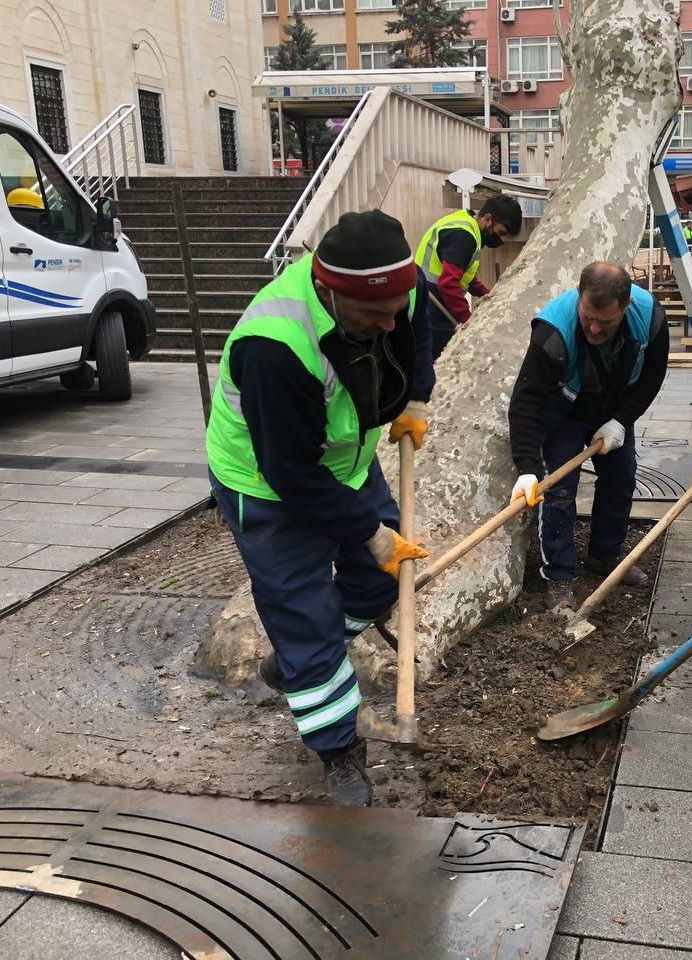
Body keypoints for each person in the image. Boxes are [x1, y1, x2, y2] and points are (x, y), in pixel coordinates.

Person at [205, 210, 435, 807]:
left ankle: (300, 663)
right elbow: (292, 474)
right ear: (329, 291)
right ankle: (339, 753)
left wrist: (414, 397)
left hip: (344, 463)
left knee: (379, 581)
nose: (388, 323)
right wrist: (369, 530)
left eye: (395, 308)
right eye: (371, 316)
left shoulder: (389, 292)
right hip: (267, 486)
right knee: (302, 608)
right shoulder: (275, 345)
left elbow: (419, 322)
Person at [508, 262, 669, 612]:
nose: (594, 328)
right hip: (565, 409)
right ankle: (559, 575)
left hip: (612, 406)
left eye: (606, 322)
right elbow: (526, 401)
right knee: (560, 490)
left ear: (625, 307)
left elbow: (653, 376)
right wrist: (526, 466)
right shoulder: (553, 331)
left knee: (621, 477)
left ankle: (604, 555)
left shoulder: (650, 318)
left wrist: (622, 421)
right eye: (588, 317)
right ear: (580, 299)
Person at [416, 194, 524, 359]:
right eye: (501, 233)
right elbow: (449, 283)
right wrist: (468, 320)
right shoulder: (464, 236)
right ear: (487, 219)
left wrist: (486, 294)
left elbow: (462, 274)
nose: (501, 240)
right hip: (433, 304)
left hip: (430, 297)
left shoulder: (466, 224)